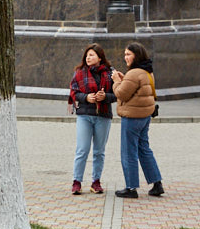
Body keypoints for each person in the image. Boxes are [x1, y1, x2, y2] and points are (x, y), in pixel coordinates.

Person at [111, 42, 164, 198]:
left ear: (136, 56)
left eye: (128, 54)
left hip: (132, 117)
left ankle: (131, 187)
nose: (125, 57)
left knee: (129, 152)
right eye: (125, 54)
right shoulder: (147, 72)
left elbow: (121, 94)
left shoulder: (134, 73)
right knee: (144, 149)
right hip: (145, 117)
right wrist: (123, 79)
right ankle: (156, 183)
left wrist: (116, 80)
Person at [68, 43, 116, 195]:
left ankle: (96, 181)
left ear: (100, 57)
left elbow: (118, 93)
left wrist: (105, 96)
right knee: (82, 149)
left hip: (103, 116)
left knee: (99, 151)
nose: (88, 57)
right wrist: (86, 97)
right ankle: (77, 181)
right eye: (87, 55)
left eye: (92, 55)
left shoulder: (110, 74)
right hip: (84, 115)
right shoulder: (79, 73)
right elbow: (74, 93)